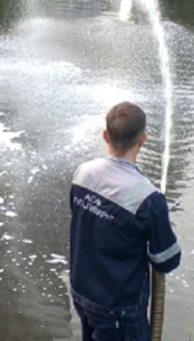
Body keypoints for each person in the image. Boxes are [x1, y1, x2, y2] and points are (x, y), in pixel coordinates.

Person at [69, 102, 181, 341]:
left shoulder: (82, 174)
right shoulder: (148, 198)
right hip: (119, 309)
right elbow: (167, 259)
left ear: (105, 135)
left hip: (82, 293)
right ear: (143, 139)